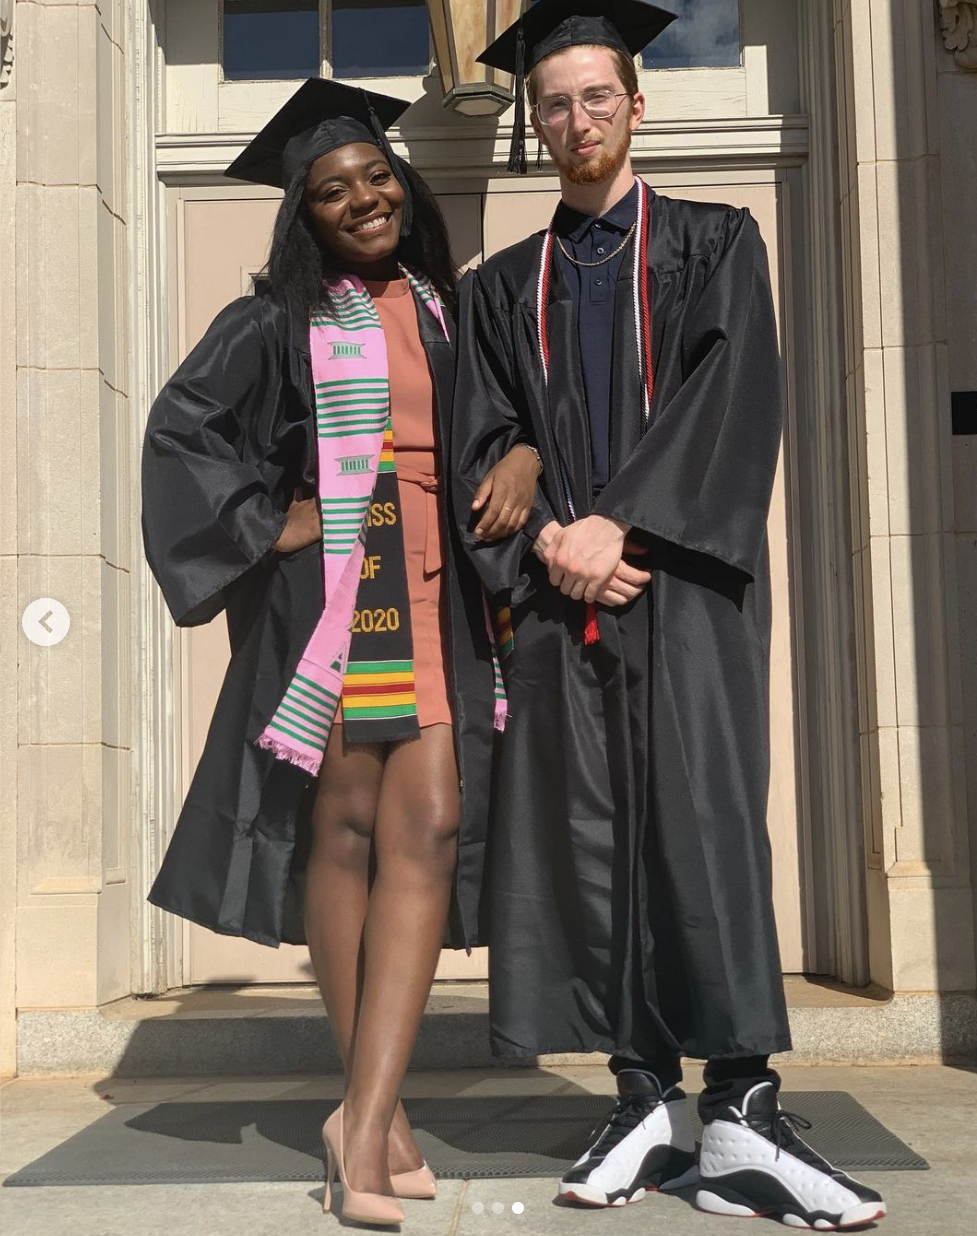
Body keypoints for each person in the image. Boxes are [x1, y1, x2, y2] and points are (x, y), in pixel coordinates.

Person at [452, 1, 887, 1229]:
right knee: (584, 844)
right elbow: (482, 435)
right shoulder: (499, 289)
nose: (576, 118)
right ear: (533, 124)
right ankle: (639, 1100)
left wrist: (618, 529)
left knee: (701, 826)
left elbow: (732, 399)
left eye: (597, 96)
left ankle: (743, 1108)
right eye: (553, 102)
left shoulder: (715, 240)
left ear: (636, 106)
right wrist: (548, 537)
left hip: (680, 593)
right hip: (559, 605)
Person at [141, 78, 540, 1227]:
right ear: (305, 216)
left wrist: (517, 461)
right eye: (331, 190)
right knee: (352, 829)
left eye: (373, 177)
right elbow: (183, 430)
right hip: (340, 594)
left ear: (404, 189)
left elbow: (514, 421)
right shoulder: (277, 320)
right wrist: (273, 521)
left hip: (441, 585)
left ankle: (364, 1118)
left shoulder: (455, 309)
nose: (360, 197)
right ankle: (370, 1124)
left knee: (431, 826)